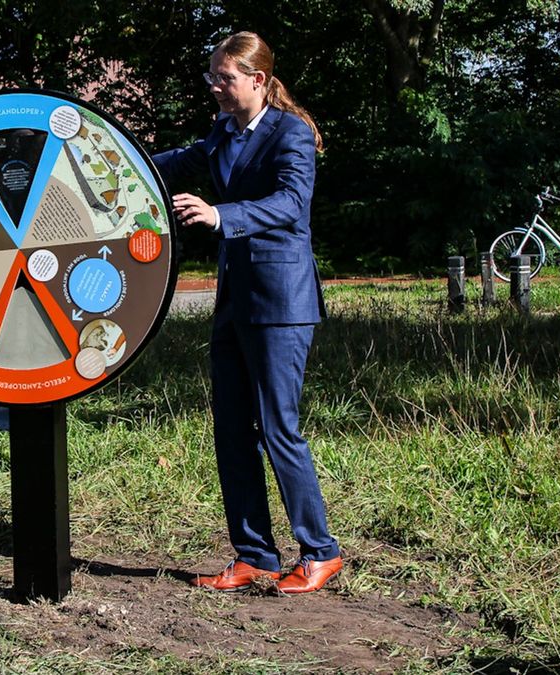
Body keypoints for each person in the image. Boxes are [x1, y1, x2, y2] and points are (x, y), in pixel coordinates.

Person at [152, 31, 342, 594]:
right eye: (212, 75)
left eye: (225, 77)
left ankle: (320, 551)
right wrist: (113, 158)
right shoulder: (223, 131)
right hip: (235, 300)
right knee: (232, 429)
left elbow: (290, 204)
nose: (214, 85)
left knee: (278, 429)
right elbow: (176, 160)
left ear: (257, 80)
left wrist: (220, 214)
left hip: (282, 303)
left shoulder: (292, 133)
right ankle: (254, 554)